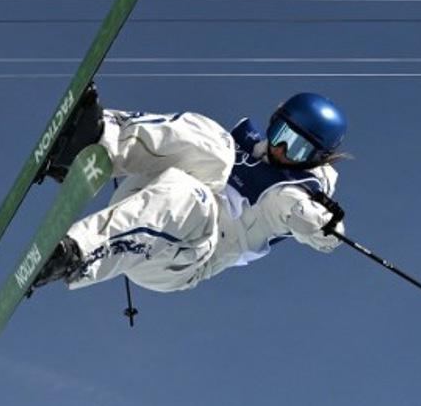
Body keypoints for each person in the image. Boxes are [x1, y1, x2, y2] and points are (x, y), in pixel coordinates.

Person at [30, 88, 348, 293]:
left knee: (191, 196)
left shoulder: (295, 194)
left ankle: (74, 253)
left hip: (183, 257)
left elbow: (319, 227)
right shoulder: (243, 144)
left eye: (297, 147)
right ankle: (95, 140)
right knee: (214, 142)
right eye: (280, 133)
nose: (280, 149)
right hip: (145, 202)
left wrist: (322, 226)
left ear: (316, 157)